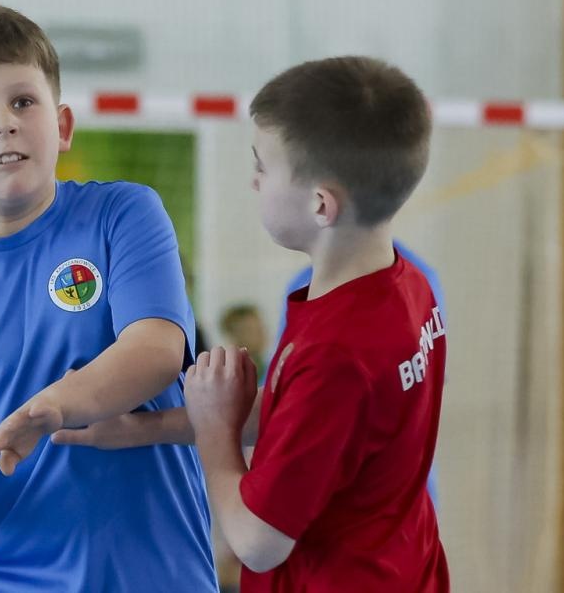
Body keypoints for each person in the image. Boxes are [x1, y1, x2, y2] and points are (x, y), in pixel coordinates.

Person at [0, 2, 216, 592]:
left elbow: (156, 351)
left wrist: (54, 405)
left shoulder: (123, 213)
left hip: (148, 577)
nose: (5, 122)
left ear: (63, 124)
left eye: (23, 101)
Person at [55, 56, 449, 592]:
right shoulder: (404, 288)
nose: (254, 181)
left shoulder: (338, 349)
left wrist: (216, 432)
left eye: (263, 166)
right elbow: (310, 421)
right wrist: (145, 429)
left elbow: (258, 541)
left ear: (319, 204)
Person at [274, 245, 444, 505]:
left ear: (324, 206)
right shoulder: (416, 276)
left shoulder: (410, 279)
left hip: (371, 498)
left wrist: (218, 438)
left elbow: (255, 539)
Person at [218, 305, 271, 384]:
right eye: (251, 330)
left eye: (260, 327)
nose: (261, 334)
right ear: (234, 336)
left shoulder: (272, 369)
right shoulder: (226, 376)